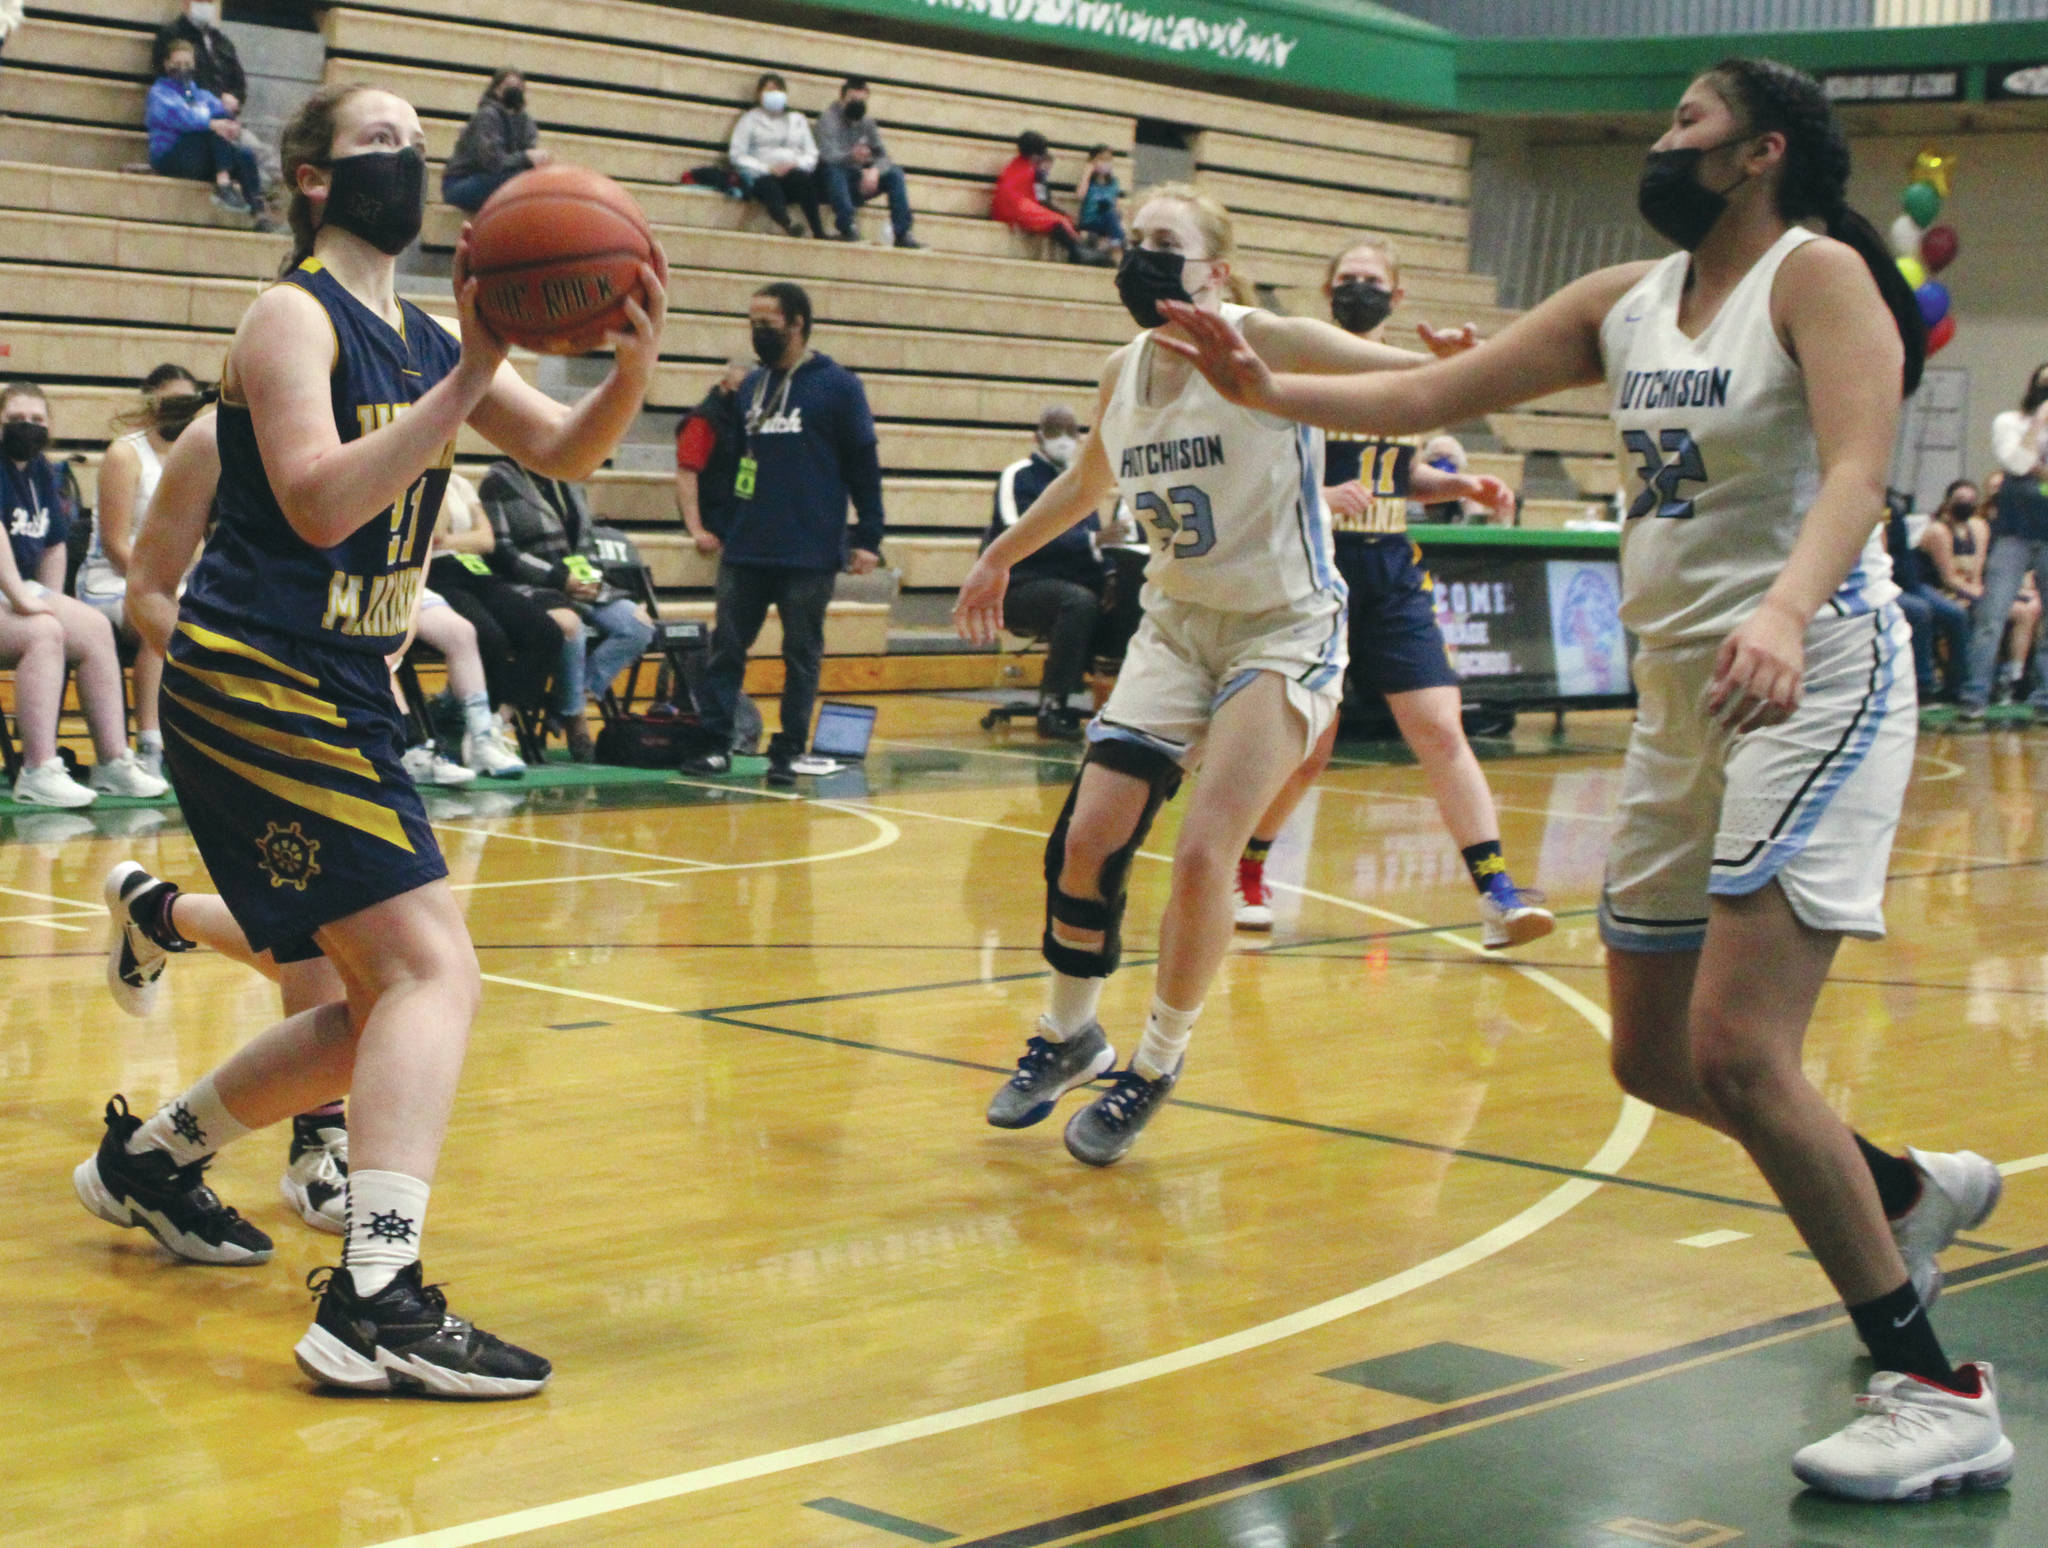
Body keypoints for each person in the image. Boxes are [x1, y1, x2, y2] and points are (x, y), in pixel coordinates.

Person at [1160, 56, 2013, 1502]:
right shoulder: (1627, 299)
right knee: (1654, 1058)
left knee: (1745, 1052)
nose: (1661, 139)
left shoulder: (1817, 281)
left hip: (1816, 668)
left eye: (1688, 121)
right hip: (1682, 690)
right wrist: (1265, 384)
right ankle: (1902, 1190)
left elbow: (1863, 470)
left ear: (1765, 151)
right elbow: (1432, 385)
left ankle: (1935, 1386)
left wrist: (1790, 608)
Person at [72, 79, 664, 1395]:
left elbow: (565, 454)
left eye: (413, 141)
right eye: (373, 144)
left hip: (340, 687)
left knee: (367, 1011)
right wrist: (467, 374)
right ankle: (376, 1300)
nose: (401, 160)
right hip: (255, 677)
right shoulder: (291, 317)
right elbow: (323, 505)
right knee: (434, 972)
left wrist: (629, 371)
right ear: (314, 179)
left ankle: (153, 1158)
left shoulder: (415, 328)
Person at [956, 183, 1467, 1169]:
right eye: (1133, 239)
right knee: (1083, 842)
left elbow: (1397, 376)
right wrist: (999, 556)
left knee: (1200, 855)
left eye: (1164, 244)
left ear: (1215, 271)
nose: (1139, 255)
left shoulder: (1264, 338)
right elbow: (1086, 480)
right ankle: (1070, 1035)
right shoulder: (1122, 368)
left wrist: (1446, 364)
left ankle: (1153, 1060)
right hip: (1176, 625)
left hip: (1282, 627)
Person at [1228, 236, 1547, 949]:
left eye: (1373, 281)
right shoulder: (1296, 367)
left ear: (1397, 297)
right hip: (1315, 568)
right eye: (1348, 279)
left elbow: (1391, 475)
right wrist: (1315, 492)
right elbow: (1251, 476)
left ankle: (1497, 892)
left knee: (1439, 726)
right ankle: (1246, 866)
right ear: (1327, 290)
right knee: (1311, 746)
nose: (1360, 289)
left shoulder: (1410, 384)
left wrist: (1456, 484)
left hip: (1392, 571)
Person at [109, 404, 353, 1234]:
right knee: (333, 937)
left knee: (328, 939)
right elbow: (147, 591)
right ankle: (319, 1143)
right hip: (240, 715)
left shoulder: (404, 423)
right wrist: (229, 690)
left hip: (350, 711)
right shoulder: (219, 438)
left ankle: (158, 913)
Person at [683, 283, 884, 786]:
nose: (758, 334)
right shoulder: (751, 387)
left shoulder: (838, 386)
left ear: (797, 324)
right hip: (747, 545)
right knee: (726, 647)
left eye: (767, 325)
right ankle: (715, 743)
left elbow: (864, 465)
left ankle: (788, 748)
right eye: (752, 324)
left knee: (801, 652)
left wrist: (869, 538)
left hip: (809, 549)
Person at [0, 381, 170, 807]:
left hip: (15, 588)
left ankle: (113, 761)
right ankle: (38, 769)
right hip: (7, 589)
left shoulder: (40, 470)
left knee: (92, 627)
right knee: (43, 634)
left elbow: (54, 543)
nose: (28, 426)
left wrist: (53, 599)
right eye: (16, 419)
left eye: (37, 419)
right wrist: (26, 601)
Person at [77, 364, 209, 779]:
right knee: (161, 616)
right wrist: (161, 583)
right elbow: (117, 546)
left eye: (186, 406)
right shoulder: (125, 453)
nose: (179, 414)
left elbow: (202, 539)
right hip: (112, 580)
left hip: (174, 578)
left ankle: (205, 738)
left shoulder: (197, 454)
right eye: (171, 404)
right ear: (150, 403)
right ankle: (150, 741)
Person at [479, 457, 654, 755]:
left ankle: (567, 705)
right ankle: (576, 721)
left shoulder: (570, 475)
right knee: (572, 631)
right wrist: (559, 578)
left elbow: (587, 542)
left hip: (578, 582)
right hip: (529, 584)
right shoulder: (497, 482)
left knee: (638, 626)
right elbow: (502, 553)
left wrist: (594, 581)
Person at [424, 470, 572, 749]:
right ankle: (474, 727)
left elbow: (487, 541)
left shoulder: (460, 482)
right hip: (434, 572)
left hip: (476, 570)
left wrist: (452, 542)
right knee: (490, 637)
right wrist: (433, 476)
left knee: (546, 632)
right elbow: (435, 534)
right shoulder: (417, 479)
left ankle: (498, 721)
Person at [986, 405, 1104, 741]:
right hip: (1016, 587)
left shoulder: (1081, 483)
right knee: (1077, 602)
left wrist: (1110, 570)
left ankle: (1112, 699)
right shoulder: (1018, 476)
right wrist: (1091, 540)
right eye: (1056, 432)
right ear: (1038, 437)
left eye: (1072, 432)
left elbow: (1091, 545)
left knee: (1118, 596)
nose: (1065, 440)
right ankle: (1052, 705)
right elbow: (1017, 534)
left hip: (1069, 584)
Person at [1958, 366, 2048, 721]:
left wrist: (2034, 470)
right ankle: (1975, 695)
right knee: (1991, 615)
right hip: (2013, 533)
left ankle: (2044, 698)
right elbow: (2016, 461)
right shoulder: (2009, 422)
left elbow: (2029, 469)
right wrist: (2038, 424)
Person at [146, 38, 268, 226]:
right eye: (177, 64)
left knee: (244, 155)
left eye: (187, 64)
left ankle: (259, 213)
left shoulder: (199, 94)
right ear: (167, 64)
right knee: (211, 132)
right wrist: (214, 124)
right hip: (170, 156)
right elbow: (183, 119)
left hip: (201, 156)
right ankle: (223, 184)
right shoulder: (159, 93)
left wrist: (229, 118)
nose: (182, 68)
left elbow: (218, 110)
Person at [1886, 485, 1967, 705]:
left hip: (1912, 583)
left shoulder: (1893, 506)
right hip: (1886, 585)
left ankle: (1958, 685)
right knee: (1919, 611)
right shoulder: (1868, 509)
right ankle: (1923, 684)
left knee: (1956, 614)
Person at [815, 76, 917, 249]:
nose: (858, 104)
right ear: (842, 99)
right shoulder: (827, 120)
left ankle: (901, 232)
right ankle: (847, 227)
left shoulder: (867, 123)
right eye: (853, 100)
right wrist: (851, 156)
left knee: (894, 173)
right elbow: (826, 155)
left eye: (862, 100)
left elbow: (883, 156)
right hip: (831, 182)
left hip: (858, 178)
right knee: (833, 169)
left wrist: (875, 171)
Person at [729, 73, 824, 239]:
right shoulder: (750, 119)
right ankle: (787, 223)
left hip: (792, 172)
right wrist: (767, 168)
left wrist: (796, 164)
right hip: (762, 174)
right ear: (760, 94)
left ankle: (818, 230)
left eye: (778, 90)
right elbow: (737, 155)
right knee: (769, 187)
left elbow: (811, 153)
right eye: (769, 90)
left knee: (804, 182)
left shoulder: (797, 119)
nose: (774, 94)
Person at [441, 68, 546, 214]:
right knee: (519, 183)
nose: (514, 90)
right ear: (496, 90)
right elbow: (492, 162)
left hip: (498, 178)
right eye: (508, 86)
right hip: (462, 182)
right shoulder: (487, 115)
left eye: (519, 87)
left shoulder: (525, 121)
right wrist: (526, 157)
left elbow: (528, 156)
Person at [674, 357, 750, 557]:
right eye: (740, 388)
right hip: (715, 517)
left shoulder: (746, 421)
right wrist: (697, 530)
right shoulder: (703, 422)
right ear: (725, 385)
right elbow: (686, 475)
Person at [993, 132, 1099, 265]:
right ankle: (1077, 252)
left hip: (1008, 205)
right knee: (1058, 221)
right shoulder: (1033, 171)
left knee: (1059, 219)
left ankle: (1080, 249)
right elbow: (1040, 200)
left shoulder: (1014, 165)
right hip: (1017, 207)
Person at [1076, 144, 1125, 258]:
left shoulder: (1114, 182)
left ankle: (1114, 243)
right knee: (1110, 215)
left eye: (1108, 160)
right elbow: (1080, 195)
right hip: (1090, 221)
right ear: (1093, 161)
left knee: (1112, 214)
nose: (1105, 163)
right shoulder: (1089, 181)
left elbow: (1116, 205)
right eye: (1101, 159)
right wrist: (1087, 173)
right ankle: (1118, 245)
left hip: (1108, 222)